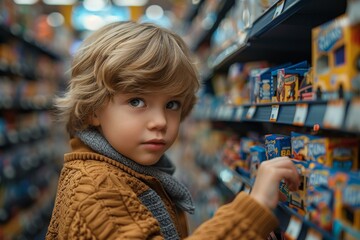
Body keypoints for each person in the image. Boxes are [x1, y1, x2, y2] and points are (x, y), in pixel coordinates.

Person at [46, 21, 299, 240]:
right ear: (93, 110)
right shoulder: (97, 188)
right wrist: (253, 209)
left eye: (172, 104)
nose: (160, 121)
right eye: (136, 101)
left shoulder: (128, 171)